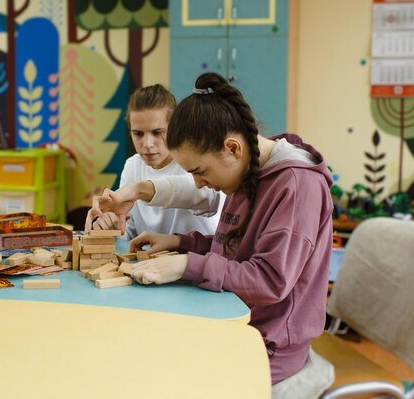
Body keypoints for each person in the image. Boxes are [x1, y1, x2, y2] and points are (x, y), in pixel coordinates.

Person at [97, 73, 333, 395]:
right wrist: (182, 243)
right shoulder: (248, 170)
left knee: (161, 377)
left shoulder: (296, 185)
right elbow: (236, 249)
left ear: (232, 148)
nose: (197, 184)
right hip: (238, 323)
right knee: (141, 351)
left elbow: (270, 280)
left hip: (267, 345)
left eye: (200, 171)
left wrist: (186, 265)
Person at [85, 84, 223, 240]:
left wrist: (140, 189)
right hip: (151, 262)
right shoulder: (133, 166)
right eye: (138, 134)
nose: (148, 143)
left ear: (175, 128)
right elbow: (128, 231)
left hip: (197, 259)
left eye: (157, 132)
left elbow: (205, 195)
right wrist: (112, 229)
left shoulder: (193, 161)